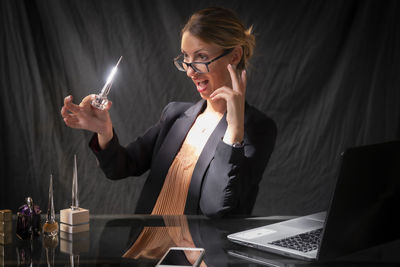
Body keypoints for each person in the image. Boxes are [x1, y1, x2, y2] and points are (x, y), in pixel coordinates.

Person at [61, 6, 277, 218]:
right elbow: (120, 167)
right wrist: (104, 131)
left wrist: (234, 129)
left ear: (234, 56)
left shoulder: (257, 129)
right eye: (186, 57)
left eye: (201, 57)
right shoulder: (175, 115)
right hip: (143, 248)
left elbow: (216, 206)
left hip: (197, 253)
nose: (190, 71)